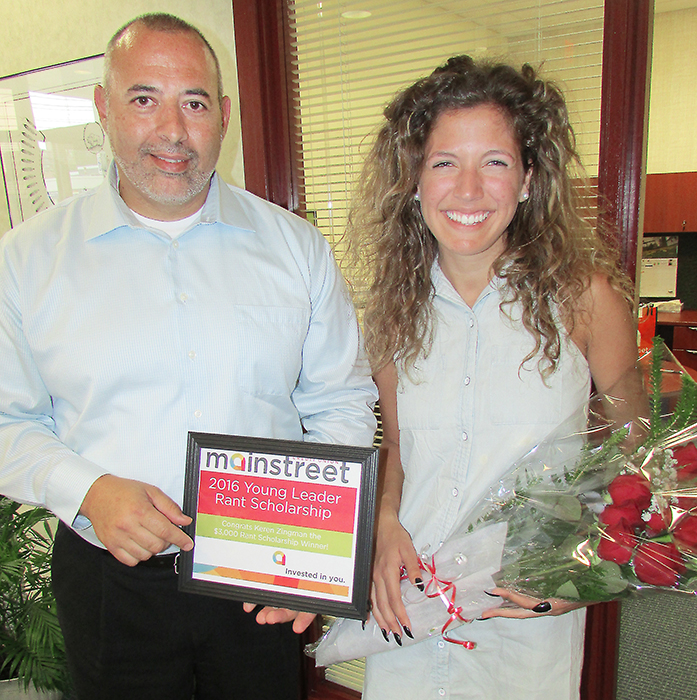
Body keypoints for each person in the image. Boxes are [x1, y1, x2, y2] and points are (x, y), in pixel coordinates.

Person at [0, 13, 377, 700]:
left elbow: (341, 404)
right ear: (104, 109)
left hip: (264, 569)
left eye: (195, 103)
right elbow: (6, 421)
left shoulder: (295, 249)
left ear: (224, 117)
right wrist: (85, 488)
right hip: (111, 580)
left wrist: (318, 557)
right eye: (144, 98)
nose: (172, 131)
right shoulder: (28, 260)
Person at [349, 56, 638, 699]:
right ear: (415, 181)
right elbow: (398, 450)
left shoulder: (582, 299)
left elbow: (640, 457)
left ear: (529, 179)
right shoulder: (394, 313)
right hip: (411, 604)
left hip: (527, 614)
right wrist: (386, 521)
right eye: (445, 162)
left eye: (496, 163)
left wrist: (584, 572)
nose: (469, 190)